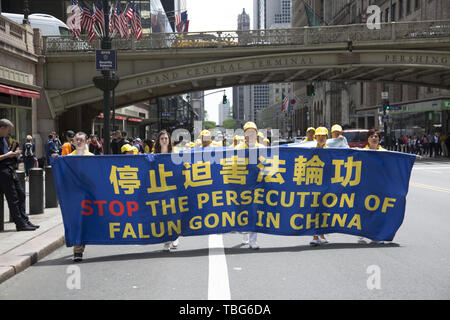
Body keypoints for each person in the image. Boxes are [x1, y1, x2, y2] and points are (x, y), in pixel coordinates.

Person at [0, 119, 39, 231]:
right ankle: (20, 224)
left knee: (21, 194)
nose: (9, 132)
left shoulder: (4, 139)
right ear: (2, 128)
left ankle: (25, 220)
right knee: (13, 198)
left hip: (10, 169)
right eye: (8, 129)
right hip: (3, 171)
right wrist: (8, 155)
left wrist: (13, 153)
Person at [237, 121, 264, 250]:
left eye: (252, 131)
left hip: (256, 184)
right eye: (248, 132)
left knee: (254, 212)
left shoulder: (262, 148)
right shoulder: (238, 149)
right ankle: (244, 234)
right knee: (243, 210)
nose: (250, 134)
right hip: (241, 185)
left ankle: (253, 240)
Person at [152, 130, 179, 252]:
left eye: (166, 138)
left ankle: (173, 237)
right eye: (161, 138)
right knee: (163, 215)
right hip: (158, 189)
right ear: (158, 140)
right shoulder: (153, 155)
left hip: (173, 188)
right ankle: (168, 238)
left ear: (169, 141)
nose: (164, 140)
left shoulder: (175, 153)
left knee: (172, 214)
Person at [69, 132, 94, 262]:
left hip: (88, 195)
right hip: (73, 196)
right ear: (73, 142)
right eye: (77, 140)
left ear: (86, 142)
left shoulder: (92, 157)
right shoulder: (67, 158)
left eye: (81, 140)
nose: (79, 142)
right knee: (76, 221)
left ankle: (81, 242)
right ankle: (77, 249)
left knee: (87, 221)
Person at [309, 127, 329, 246]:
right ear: (315, 137)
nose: (321, 138)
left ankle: (322, 234)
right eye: (319, 136)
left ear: (327, 138)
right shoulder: (310, 150)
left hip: (327, 187)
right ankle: (315, 236)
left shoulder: (332, 151)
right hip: (314, 186)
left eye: (323, 136)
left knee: (325, 212)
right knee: (315, 211)